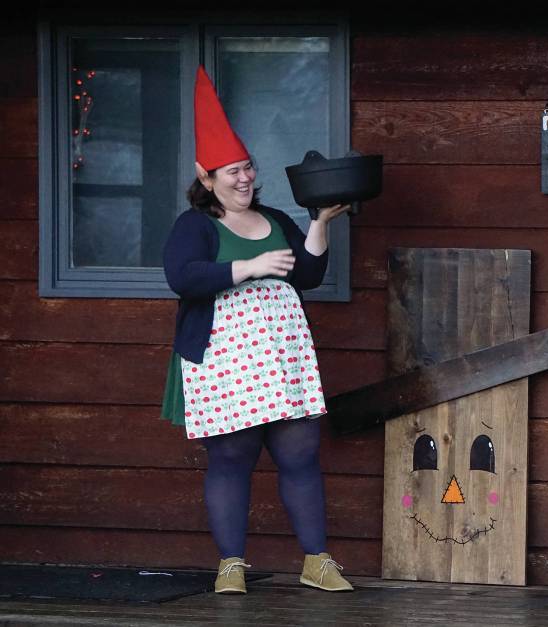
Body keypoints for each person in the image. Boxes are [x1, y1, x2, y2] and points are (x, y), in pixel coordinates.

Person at [159, 66, 351, 595]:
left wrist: (318, 223)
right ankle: (231, 565)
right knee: (231, 459)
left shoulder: (273, 218)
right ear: (206, 178)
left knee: (300, 455)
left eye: (247, 168)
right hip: (225, 361)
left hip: (282, 357)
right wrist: (250, 267)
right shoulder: (194, 225)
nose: (243, 178)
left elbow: (308, 275)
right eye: (230, 172)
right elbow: (183, 277)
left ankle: (317, 561)